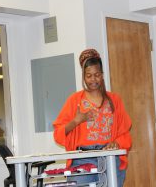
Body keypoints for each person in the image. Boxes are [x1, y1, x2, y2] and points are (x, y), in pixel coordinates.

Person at [53, 48, 132, 186]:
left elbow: (125, 133)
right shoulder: (74, 100)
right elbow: (58, 135)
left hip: (110, 159)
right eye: (88, 76)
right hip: (82, 160)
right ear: (83, 77)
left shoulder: (115, 100)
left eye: (96, 74)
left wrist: (116, 143)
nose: (93, 79)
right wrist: (77, 120)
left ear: (102, 75)